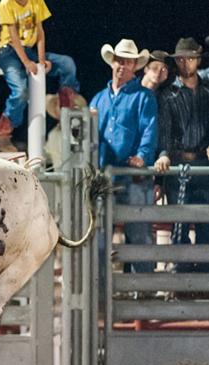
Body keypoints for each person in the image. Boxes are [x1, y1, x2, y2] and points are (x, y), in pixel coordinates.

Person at [90, 39, 158, 279]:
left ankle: (143, 289)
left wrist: (142, 156)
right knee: (98, 233)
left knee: (139, 233)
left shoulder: (143, 97)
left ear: (134, 66)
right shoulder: (99, 98)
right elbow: (90, 135)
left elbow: (149, 130)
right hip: (104, 175)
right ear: (113, 63)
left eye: (127, 61)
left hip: (133, 176)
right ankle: (98, 289)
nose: (122, 65)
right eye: (119, 60)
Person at [0, 0, 81, 152]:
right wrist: (27, 63)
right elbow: (13, 37)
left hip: (28, 50)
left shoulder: (36, 1)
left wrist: (40, 61)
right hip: (8, 51)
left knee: (66, 64)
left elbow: (40, 32)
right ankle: (3, 133)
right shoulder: (6, 3)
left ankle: (65, 113)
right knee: (21, 90)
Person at [154, 37, 209, 272]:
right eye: (181, 59)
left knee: (206, 222)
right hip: (179, 166)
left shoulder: (207, 92)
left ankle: (204, 276)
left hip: (203, 163)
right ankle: (181, 278)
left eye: (190, 58)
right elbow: (164, 131)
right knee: (180, 224)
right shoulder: (168, 95)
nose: (185, 63)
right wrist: (164, 154)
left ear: (197, 60)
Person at [44, 92, 87, 169]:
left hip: (81, 179)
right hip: (57, 179)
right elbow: (46, 155)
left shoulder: (84, 131)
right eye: (58, 105)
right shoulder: (53, 134)